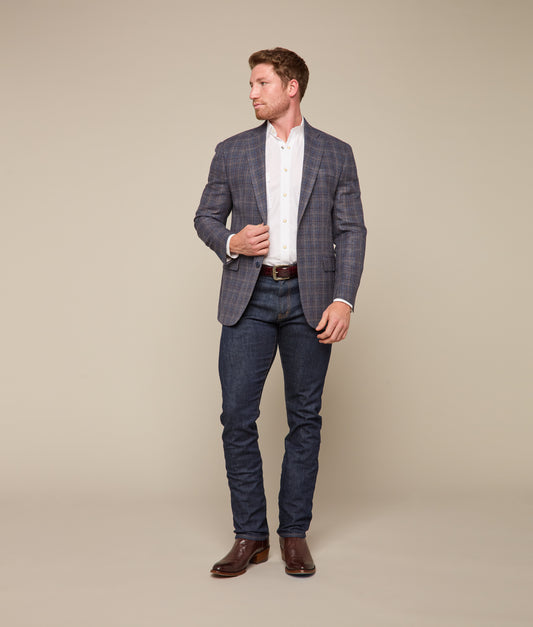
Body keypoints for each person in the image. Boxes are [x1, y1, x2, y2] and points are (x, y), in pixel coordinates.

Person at [194, 47, 366, 577]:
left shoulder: (336, 153)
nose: (252, 92)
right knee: (236, 417)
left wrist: (343, 299)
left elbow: (351, 230)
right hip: (248, 297)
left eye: (261, 83)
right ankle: (250, 536)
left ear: (291, 87)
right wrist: (232, 241)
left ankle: (293, 534)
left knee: (305, 418)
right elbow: (205, 217)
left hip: (311, 299)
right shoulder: (232, 151)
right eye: (251, 84)